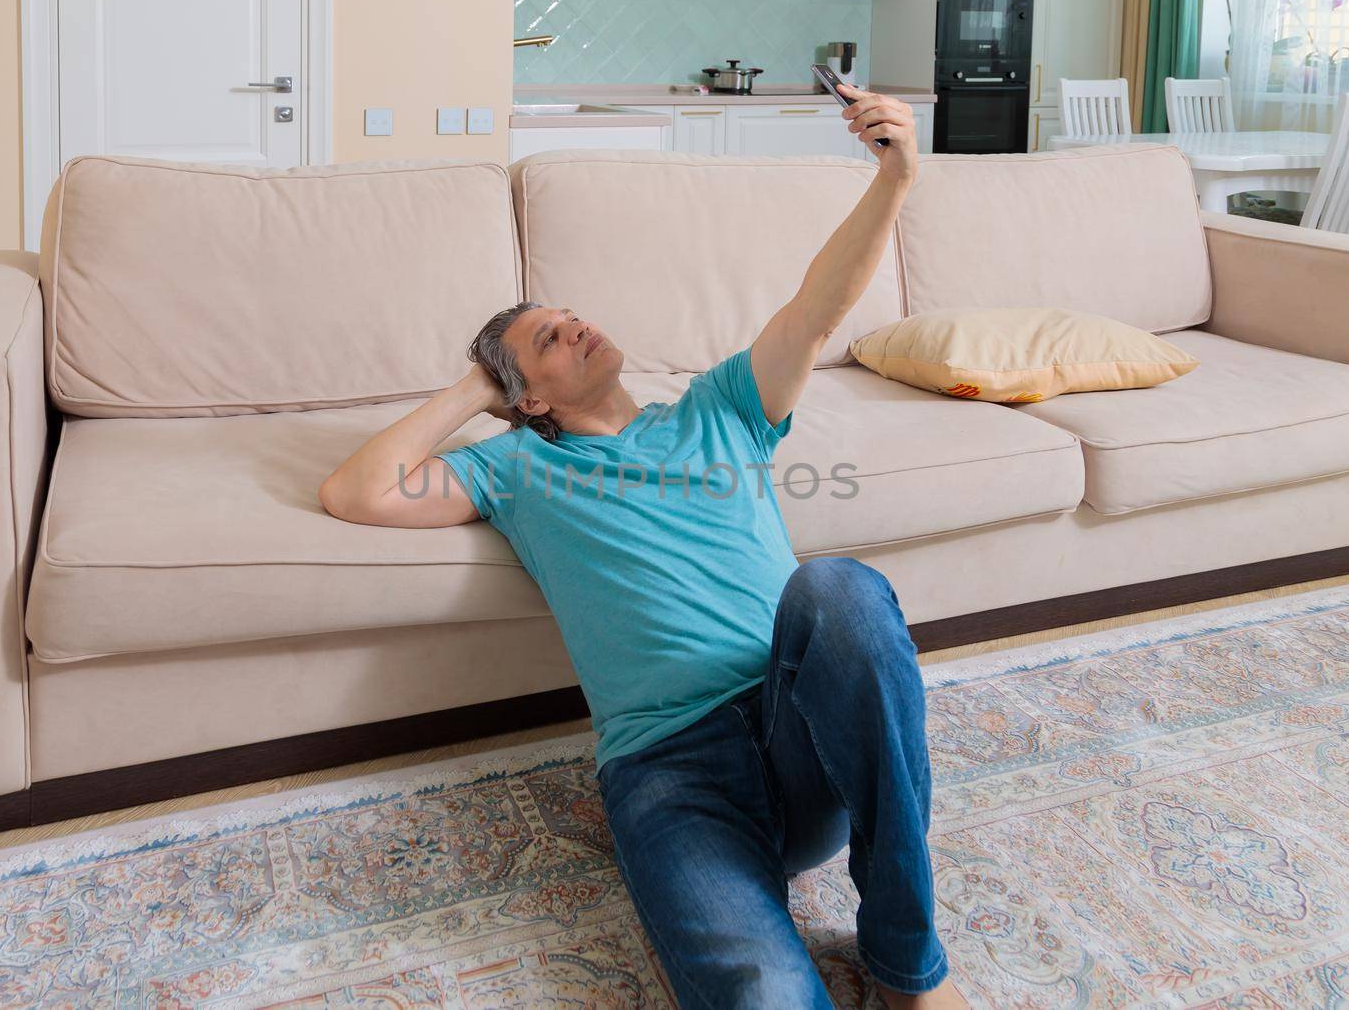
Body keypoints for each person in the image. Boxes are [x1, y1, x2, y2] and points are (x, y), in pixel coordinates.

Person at [319, 85, 965, 1009]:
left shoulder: (721, 407)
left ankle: (906, 964)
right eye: (546, 338)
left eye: (570, 313)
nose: (575, 323)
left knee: (839, 592)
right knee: (764, 995)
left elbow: (815, 311)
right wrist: (476, 387)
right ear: (528, 399)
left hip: (798, 723)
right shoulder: (512, 468)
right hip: (672, 775)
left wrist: (898, 176)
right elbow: (356, 491)